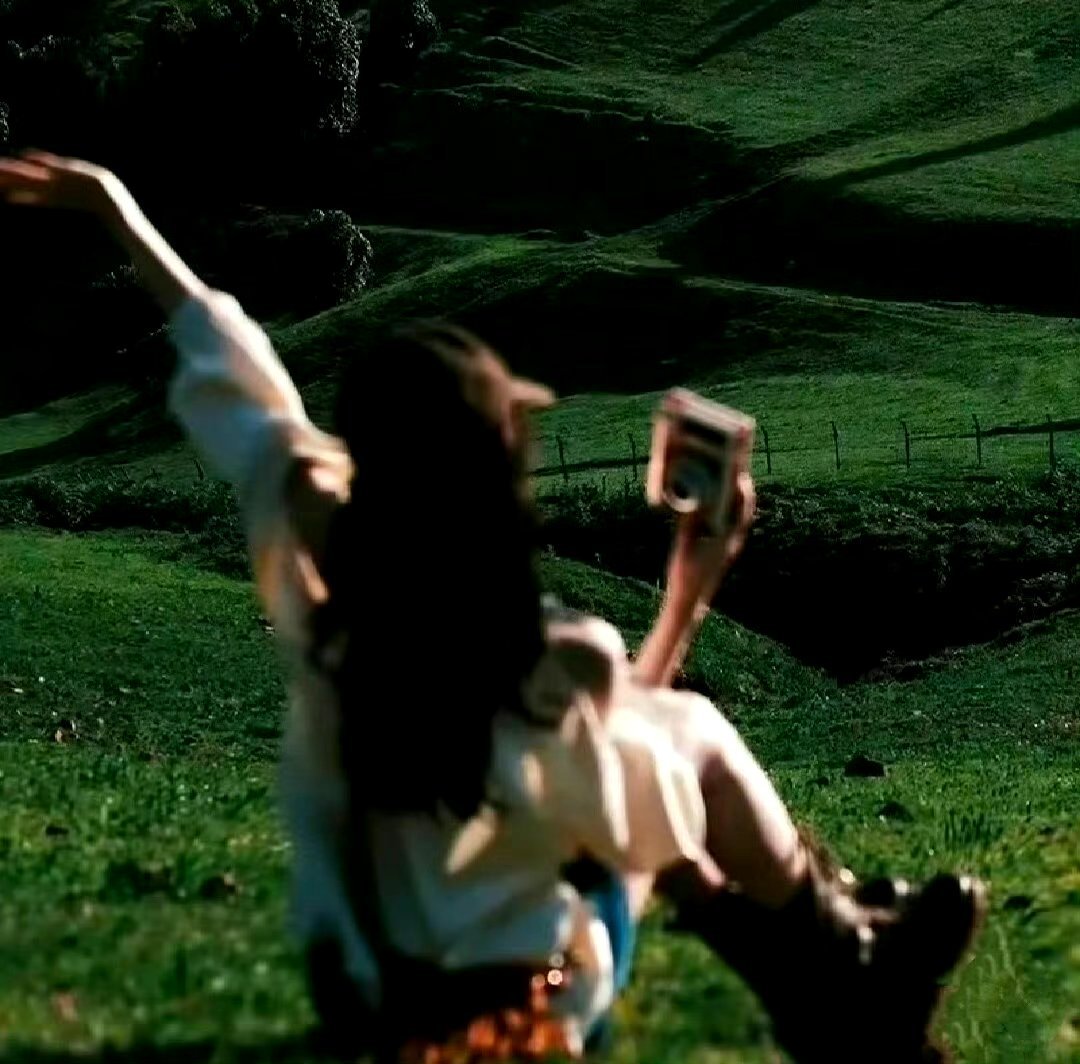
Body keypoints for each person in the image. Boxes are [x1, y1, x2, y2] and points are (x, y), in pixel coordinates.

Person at [0, 151, 984, 1064]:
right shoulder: (556, 653)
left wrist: (110, 205)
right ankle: (838, 958)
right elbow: (631, 807)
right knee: (682, 729)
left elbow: (241, 372)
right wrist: (694, 585)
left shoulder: (329, 594)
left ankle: (849, 942)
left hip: (361, 991)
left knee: (625, 747)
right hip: (516, 1018)